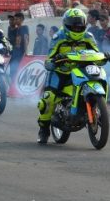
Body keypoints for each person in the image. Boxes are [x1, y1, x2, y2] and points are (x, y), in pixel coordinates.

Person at [36, 8, 102, 144]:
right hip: (61, 73)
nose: (77, 27)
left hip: (81, 72)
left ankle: (90, 109)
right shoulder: (58, 37)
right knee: (49, 98)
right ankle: (44, 129)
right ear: (66, 24)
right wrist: (53, 61)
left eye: (79, 24)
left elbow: (96, 53)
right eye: (74, 24)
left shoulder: (88, 36)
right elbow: (50, 57)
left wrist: (105, 56)